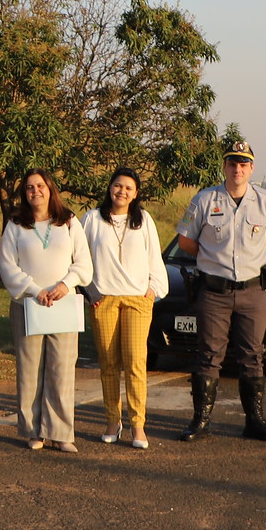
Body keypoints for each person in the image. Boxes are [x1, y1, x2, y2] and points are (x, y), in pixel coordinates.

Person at [173, 139, 266, 443]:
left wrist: (253, 257)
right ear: (224, 166)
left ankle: (255, 421)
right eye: (233, 163)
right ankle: (201, 420)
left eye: (244, 164)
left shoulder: (265, 201)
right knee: (209, 355)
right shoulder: (205, 200)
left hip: (252, 291)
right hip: (214, 291)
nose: (238, 169)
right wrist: (212, 259)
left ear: (251, 168)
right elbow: (186, 241)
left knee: (252, 355)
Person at [0, 170, 92, 452]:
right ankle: (33, 431)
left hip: (63, 305)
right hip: (28, 305)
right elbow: (7, 265)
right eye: (29, 187)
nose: (35, 191)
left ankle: (61, 433)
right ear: (24, 193)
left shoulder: (69, 221)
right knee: (30, 370)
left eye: (40, 186)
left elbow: (84, 264)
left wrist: (65, 284)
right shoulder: (16, 224)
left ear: (50, 189)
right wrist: (33, 289)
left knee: (61, 370)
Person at [80, 166, 169, 448]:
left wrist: (153, 290)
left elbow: (155, 258)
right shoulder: (92, 219)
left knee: (135, 363)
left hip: (137, 300)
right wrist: (89, 291)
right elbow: (78, 256)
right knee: (108, 364)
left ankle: (137, 425)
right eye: (118, 186)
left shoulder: (143, 220)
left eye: (129, 188)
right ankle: (112, 421)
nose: (122, 192)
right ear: (110, 187)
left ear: (136, 193)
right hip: (104, 299)